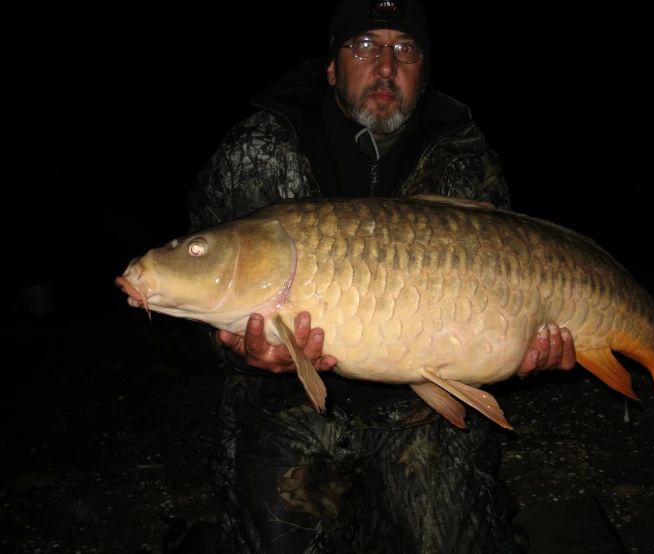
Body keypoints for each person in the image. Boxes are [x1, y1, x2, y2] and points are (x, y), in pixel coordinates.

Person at [186, 1, 576, 552]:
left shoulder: (462, 156)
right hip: (289, 411)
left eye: (405, 49)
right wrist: (239, 351)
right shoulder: (259, 151)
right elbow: (213, 296)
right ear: (331, 66)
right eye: (365, 46)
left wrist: (531, 349)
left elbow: (505, 305)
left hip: (419, 415)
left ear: (423, 69)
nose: (386, 65)